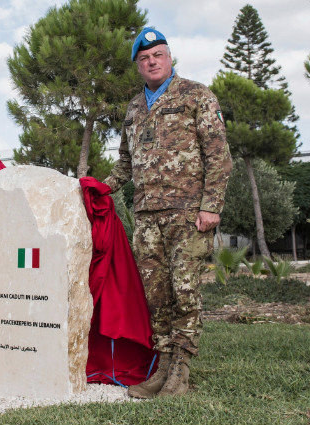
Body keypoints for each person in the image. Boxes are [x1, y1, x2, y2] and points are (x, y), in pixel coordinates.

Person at [103, 28, 232, 398]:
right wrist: (97, 187)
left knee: (185, 290)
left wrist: (211, 207)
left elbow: (219, 157)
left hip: (188, 215)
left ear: (169, 57)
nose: (152, 61)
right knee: (155, 294)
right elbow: (125, 164)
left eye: (158, 54)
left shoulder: (197, 95)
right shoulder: (133, 108)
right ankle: (162, 365)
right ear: (138, 66)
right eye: (144, 58)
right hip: (147, 219)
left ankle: (182, 370)